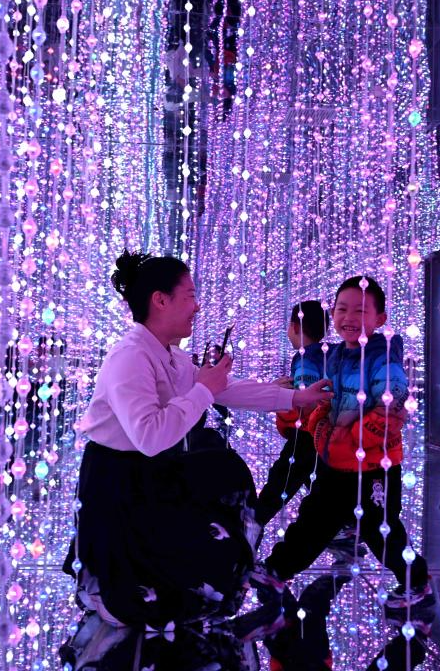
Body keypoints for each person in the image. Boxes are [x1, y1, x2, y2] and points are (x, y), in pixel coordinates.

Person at [61, 250, 331, 665]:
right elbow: (150, 435)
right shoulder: (130, 356)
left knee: (223, 474)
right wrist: (204, 388)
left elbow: (226, 388)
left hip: (150, 474)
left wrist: (296, 397)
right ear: (160, 300)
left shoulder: (166, 353)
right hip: (119, 483)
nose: (197, 306)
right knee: (147, 581)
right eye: (189, 295)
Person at [261, 277, 433, 619]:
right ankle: (276, 570)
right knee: (314, 520)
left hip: (374, 467)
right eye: (342, 309)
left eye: (360, 311)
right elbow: (320, 400)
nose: (349, 317)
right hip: (334, 463)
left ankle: (416, 582)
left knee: (381, 530)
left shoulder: (383, 356)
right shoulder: (335, 356)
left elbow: (392, 405)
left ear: (380, 318)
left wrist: (349, 439)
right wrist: (298, 409)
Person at [256, 300, 328, 528]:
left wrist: (285, 397)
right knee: (315, 480)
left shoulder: (305, 358)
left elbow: (305, 398)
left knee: (283, 477)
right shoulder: (326, 354)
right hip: (324, 432)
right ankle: (344, 526)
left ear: (295, 326)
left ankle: (253, 521)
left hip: (307, 432)